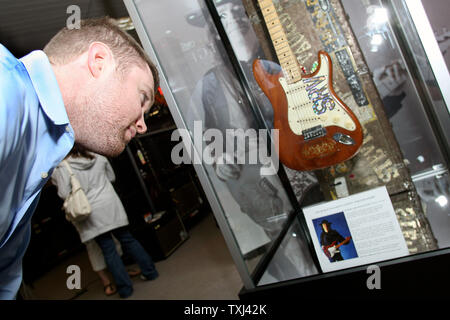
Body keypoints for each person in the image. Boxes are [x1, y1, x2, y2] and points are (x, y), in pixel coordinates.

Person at [0, 17, 159, 299]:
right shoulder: (6, 88)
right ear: (99, 61)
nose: (143, 124)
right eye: (142, 97)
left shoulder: (44, 150)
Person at [51, 145, 158, 298]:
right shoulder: (98, 155)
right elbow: (111, 177)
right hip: (111, 204)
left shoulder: (64, 166)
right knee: (127, 239)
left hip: (91, 211)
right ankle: (150, 272)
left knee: (108, 250)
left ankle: (126, 289)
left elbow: (63, 193)